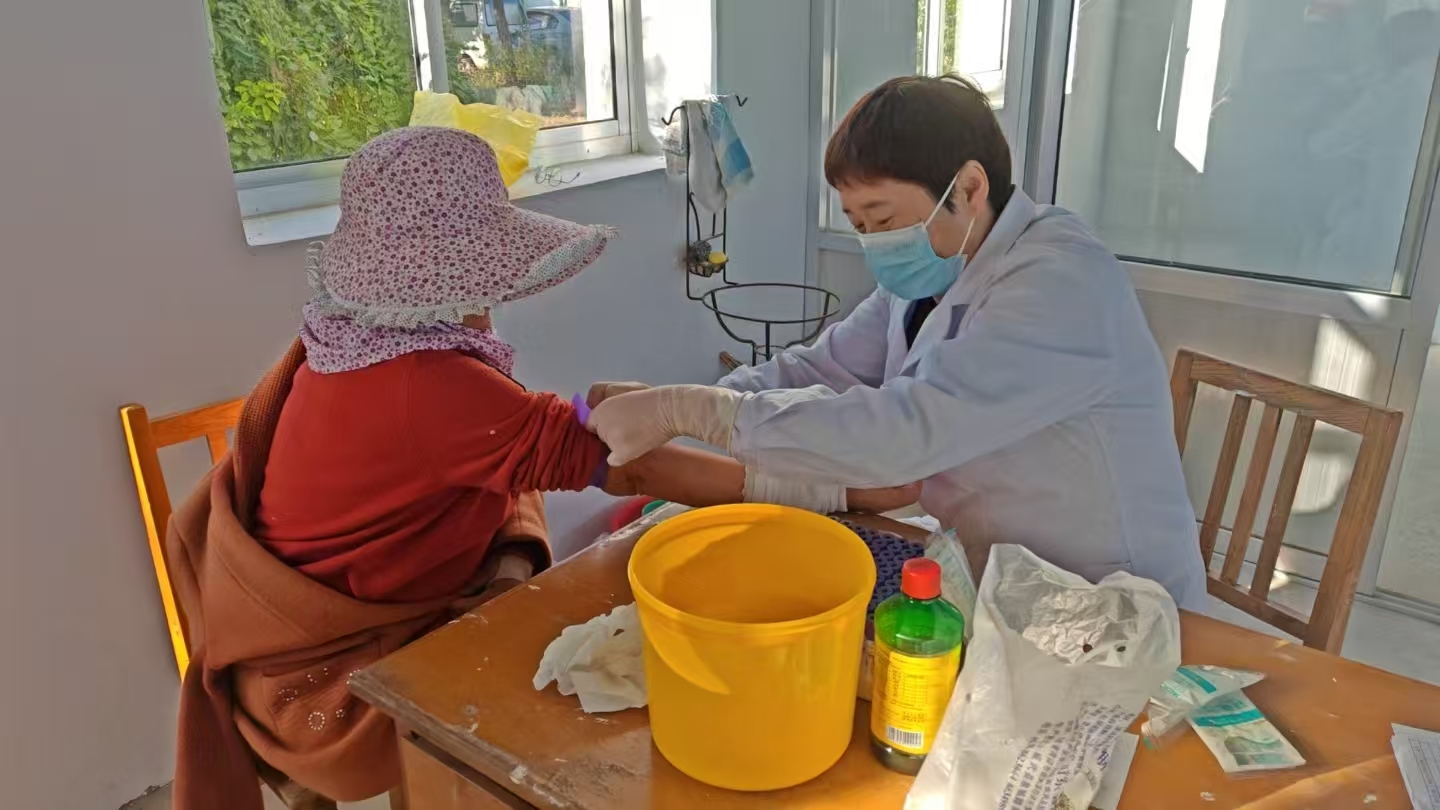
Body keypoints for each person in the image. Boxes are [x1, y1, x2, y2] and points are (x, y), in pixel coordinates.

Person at [167, 127, 915, 810]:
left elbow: (545, 437)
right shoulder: (429, 386)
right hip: (329, 684)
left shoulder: (343, 341)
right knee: (569, 725)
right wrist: (827, 492)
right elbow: (631, 470)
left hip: (294, 635)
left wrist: (611, 420)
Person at [588, 76, 1208, 611]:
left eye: (883, 220)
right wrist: (685, 402)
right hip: (1000, 577)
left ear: (969, 188)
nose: (875, 244)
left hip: (1109, 594)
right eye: (859, 226)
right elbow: (823, 368)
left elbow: (904, 436)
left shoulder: (1061, 282)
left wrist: (691, 413)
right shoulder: (927, 278)